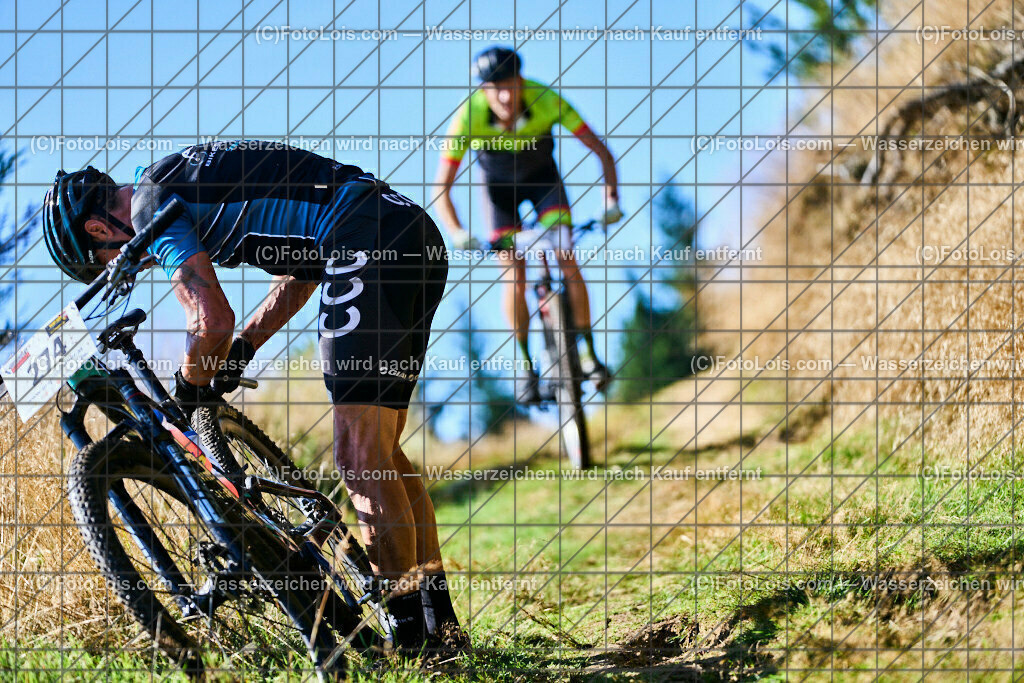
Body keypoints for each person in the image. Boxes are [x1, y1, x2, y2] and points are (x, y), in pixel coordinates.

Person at [41, 140, 461, 652]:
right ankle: (441, 625)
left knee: (359, 457)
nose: (135, 266)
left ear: (99, 229)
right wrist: (245, 348)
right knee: (382, 453)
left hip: (364, 238)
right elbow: (302, 271)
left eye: (107, 262)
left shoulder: (154, 207)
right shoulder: (183, 181)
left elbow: (210, 318)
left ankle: (416, 644)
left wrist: (190, 389)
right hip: (406, 231)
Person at [434, 46, 623, 403]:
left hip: (543, 184)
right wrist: (457, 232)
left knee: (566, 258)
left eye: (510, 85)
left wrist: (610, 202)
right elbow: (441, 189)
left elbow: (602, 153)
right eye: (493, 88)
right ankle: (526, 367)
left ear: (522, 81)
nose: (504, 95)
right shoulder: (467, 117)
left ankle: (588, 355)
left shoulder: (547, 99)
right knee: (514, 274)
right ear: (482, 90)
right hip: (499, 194)